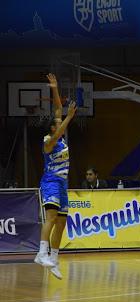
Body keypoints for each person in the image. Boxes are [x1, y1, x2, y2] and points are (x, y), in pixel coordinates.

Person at [34, 73, 77, 279]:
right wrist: (69, 117)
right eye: (57, 124)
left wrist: (55, 87)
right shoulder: (48, 142)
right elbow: (61, 125)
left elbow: (58, 108)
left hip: (62, 184)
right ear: (53, 128)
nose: (59, 123)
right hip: (50, 182)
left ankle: (54, 259)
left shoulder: (59, 138)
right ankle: (41, 253)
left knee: (62, 222)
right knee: (51, 217)